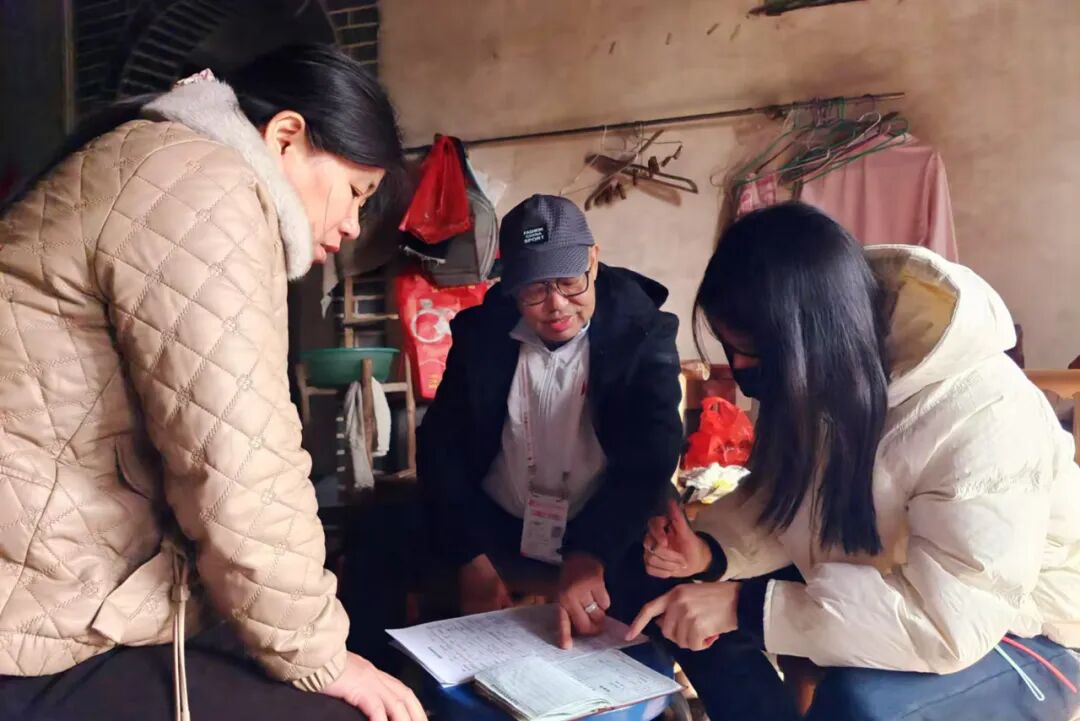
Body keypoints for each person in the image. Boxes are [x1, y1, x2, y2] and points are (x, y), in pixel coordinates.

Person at [0, 45, 426, 721]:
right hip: (34, 607)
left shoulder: (162, 160)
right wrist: (321, 654)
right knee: (353, 712)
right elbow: (240, 460)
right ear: (285, 137)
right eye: (355, 192)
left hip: (56, 571)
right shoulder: (204, 185)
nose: (351, 226)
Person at [628, 202, 1080, 721]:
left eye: (754, 351)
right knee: (672, 589)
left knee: (859, 702)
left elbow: (947, 625)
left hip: (1026, 629)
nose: (743, 369)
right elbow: (784, 495)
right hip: (882, 588)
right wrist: (709, 552)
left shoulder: (982, 412)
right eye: (733, 349)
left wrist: (742, 606)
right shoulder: (815, 368)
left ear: (815, 333)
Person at [416, 194, 684, 646]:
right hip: (497, 524)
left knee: (653, 624)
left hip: (602, 522)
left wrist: (591, 551)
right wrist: (471, 555)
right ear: (511, 286)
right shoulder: (482, 336)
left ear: (593, 259)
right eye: (534, 290)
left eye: (569, 281)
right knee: (380, 544)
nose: (556, 304)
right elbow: (441, 446)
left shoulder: (642, 333)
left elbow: (651, 458)